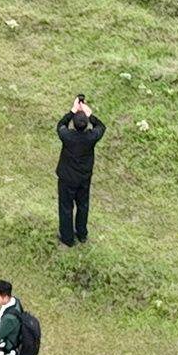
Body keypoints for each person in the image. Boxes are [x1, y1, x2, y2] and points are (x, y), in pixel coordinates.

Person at [55, 94, 105, 245]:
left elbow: (60, 125)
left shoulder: (67, 136)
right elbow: (101, 127)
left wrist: (72, 111)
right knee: (83, 205)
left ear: (74, 125)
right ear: (86, 125)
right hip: (84, 178)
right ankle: (82, 234)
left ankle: (67, 238)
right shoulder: (91, 137)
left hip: (67, 178)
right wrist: (90, 115)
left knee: (66, 207)